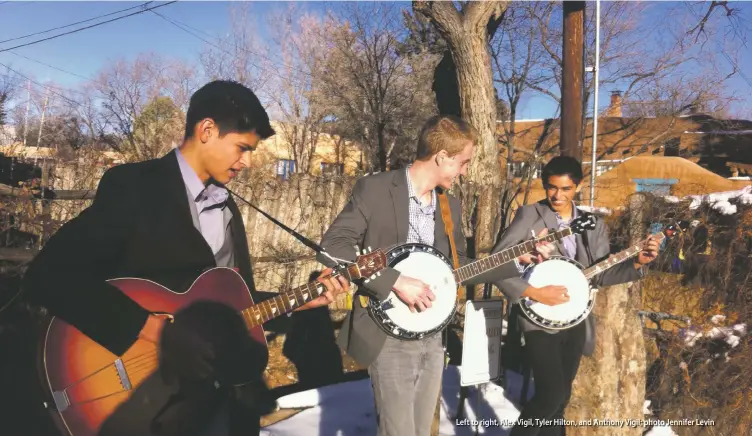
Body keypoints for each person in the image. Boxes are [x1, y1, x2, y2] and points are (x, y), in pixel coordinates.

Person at [21, 80, 350, 436]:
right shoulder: (135, 187)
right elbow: (49, 276)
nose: (248, 162)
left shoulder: (227, 209)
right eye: (242, 147)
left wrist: (301, 301)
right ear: (206, 130)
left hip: (211, 400)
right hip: (139, 398)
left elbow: (230, 305)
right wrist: (162, 334)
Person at [316, 115, 553, 436]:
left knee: (423, 430)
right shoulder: (375, 189)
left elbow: (455, 269)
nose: (465, 171)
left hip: (432, 336)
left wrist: (517, 257)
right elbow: (333, 247)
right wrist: (394, 281)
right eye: (463, 163)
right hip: (387, 333)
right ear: (442, 156)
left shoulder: (448, 206)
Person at [486, 156, 661, 436]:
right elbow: (496, 262)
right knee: (550, 395)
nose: (557, 195)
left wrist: (638, 262)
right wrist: (534, 292)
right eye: (551, 187)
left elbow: (600, 275)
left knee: (561, 400)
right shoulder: (529, 215)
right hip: (538, 318)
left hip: (576, 319)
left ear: (577, 187)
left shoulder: (593, 224)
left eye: (565, 189)